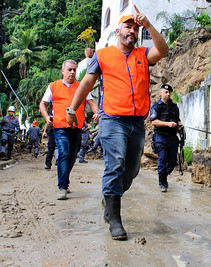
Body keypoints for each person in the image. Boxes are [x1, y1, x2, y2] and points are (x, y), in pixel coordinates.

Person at [66, 6, 169, 240]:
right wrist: (73, 108)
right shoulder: (103, 56)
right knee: (115, 164)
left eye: (135, 28)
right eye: (127, 27)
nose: (131, 31)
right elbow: (87, 84)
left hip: (136, 123)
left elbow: (163, 49)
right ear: (118, 31)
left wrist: (148, 25)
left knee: (131, 171)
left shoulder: (143, 55)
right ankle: (115, 219)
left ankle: (109, 198)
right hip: (112, 120)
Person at [39, 59, 99, 200]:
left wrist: (96, 112)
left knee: (73, 156)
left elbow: (91, 103)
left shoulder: (81, 86)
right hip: (60, 127)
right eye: (69, 69)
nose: (72, 72)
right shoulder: (53, 86)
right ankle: (63, 187)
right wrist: (47, 117)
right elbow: (43, 104)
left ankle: (65, 178)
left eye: (74, 69)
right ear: (63, 71)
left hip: (77, 127)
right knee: (64, 153)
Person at [150, 84, 184, 192]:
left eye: (169, 92)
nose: (168, 94)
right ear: (161, 93)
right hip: (161, 136)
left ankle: (164, 176)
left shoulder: (174, 106)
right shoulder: (156, 106)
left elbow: (178, 119)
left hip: (172, 137)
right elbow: (154, 122)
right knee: (162, 159)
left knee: (172, 162)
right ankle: (162, 182)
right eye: (165, 92)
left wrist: (179, 126)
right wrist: (168, 124)